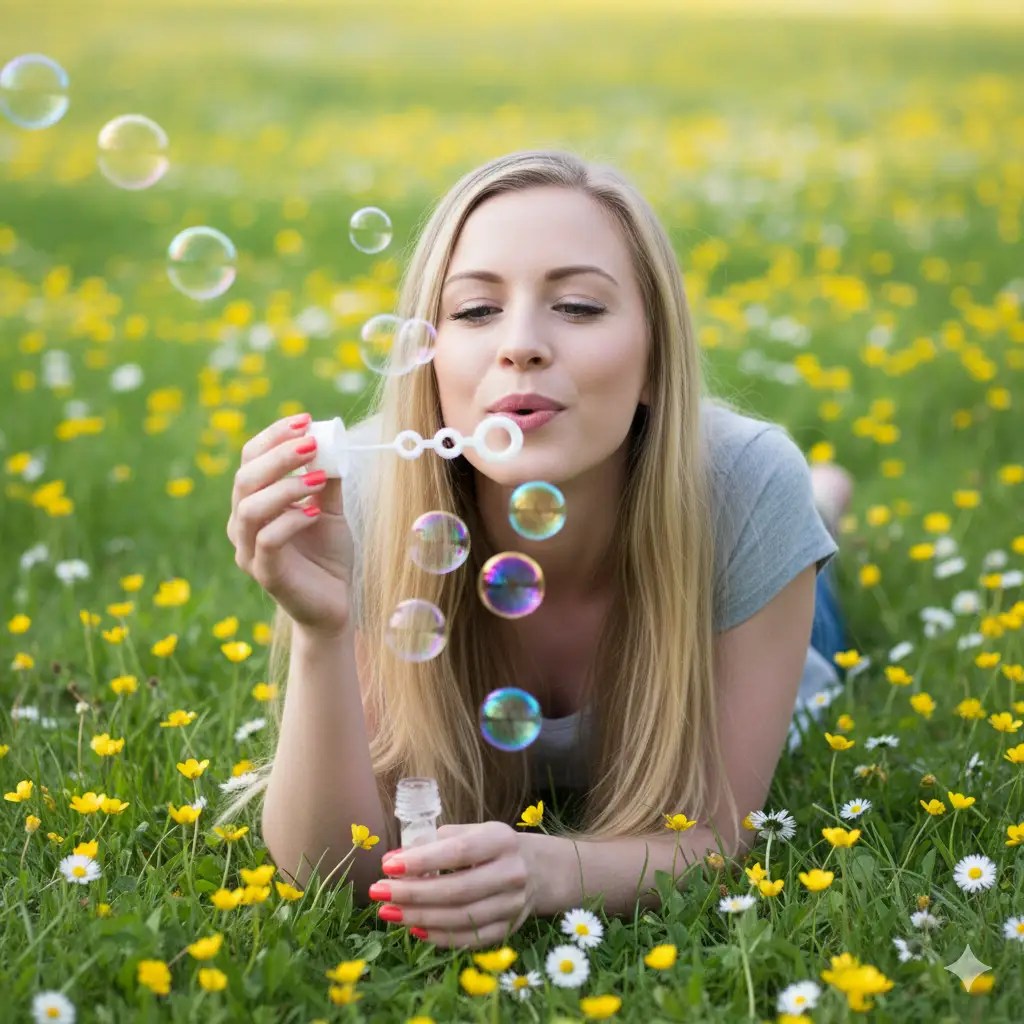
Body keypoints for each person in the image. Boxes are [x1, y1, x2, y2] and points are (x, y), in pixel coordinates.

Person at [223, 149, 853, 949]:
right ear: (429, 358)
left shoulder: (749, 491)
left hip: (731, 576)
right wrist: (321, 630)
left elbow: (718, 837)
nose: (520, 345)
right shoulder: (368, 506)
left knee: (810, 548)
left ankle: (824, 504)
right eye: (476, 311)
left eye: (579, 307)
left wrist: (552, 870)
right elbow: (331, 866)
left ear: (656, 360)